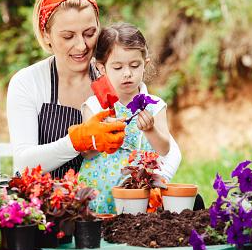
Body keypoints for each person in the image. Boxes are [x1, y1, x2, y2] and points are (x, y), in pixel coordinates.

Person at [6, 0, 126, 179]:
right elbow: (25, 163)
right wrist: (77, 141)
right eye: (68, 36)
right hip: (43, 203)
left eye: (89, 33)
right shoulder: (28, 82)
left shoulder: (111, 76)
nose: (81, 45)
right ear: (46, 36)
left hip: (101, 202)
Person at [78, 23, 185, 214]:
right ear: (101, 68)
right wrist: (102, 134)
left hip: (138, 188)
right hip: (99, 188)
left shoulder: (155, 105)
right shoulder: (94, 106)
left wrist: (150, 130)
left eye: (135, 65)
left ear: (145, 65)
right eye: (117, 67)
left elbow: (164, 149)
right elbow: (86, 153)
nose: (127, 73)